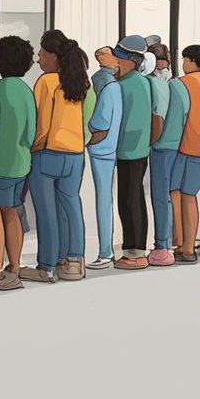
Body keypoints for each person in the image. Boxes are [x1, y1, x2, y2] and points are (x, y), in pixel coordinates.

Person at [20, 30, 91, 283]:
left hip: (48, 152)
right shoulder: (78, 80)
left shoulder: (46, 82)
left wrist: (33, 147)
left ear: (52, 55)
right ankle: (73, 261)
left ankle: (47, 266)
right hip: (74, 154)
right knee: (71, 206)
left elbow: (42, 123)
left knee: (47, 212)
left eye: (41, 53)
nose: (38, 58)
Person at [0, 36, 37, 290]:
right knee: (12, 212)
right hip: (22, 162)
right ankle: (15, 264)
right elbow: (32, 132)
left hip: (0, 162)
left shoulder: (0, 89)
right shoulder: (26, 90)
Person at [111, 35, 158, 270]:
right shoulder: (135, 82)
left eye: (120, 57)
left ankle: (136, 251)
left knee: (131, 199)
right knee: (129, 198)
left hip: (131, 149)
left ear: (132, 59)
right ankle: (132, 248)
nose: (115, 61)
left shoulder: (130, 84)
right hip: (132, 149)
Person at [167, 45, 200, 263]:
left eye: (185, 59)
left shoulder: (181, 83)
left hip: (182, 145)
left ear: (193, 61)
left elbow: (175, 116)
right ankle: (189, 247)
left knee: (174, 193)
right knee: (190, 196)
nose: (183, 63)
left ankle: (177, 241)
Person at [86, 46, 123, 269]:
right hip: (112, 146)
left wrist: (90, 139)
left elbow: (99, 123)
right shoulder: (116, 86)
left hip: (102, 149)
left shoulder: (107, 87)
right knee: (106, 198)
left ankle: (105, 251)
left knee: (103, 199)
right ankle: (106, 250)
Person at [145, 44, 177, 267]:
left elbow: (157, 117)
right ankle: (169, 241)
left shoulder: (153, 83)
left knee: (160, 197)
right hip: (174, 143)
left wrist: (150, 142)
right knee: (169, 195)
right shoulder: (172, 82)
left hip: (161, 146)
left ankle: (162, 245)